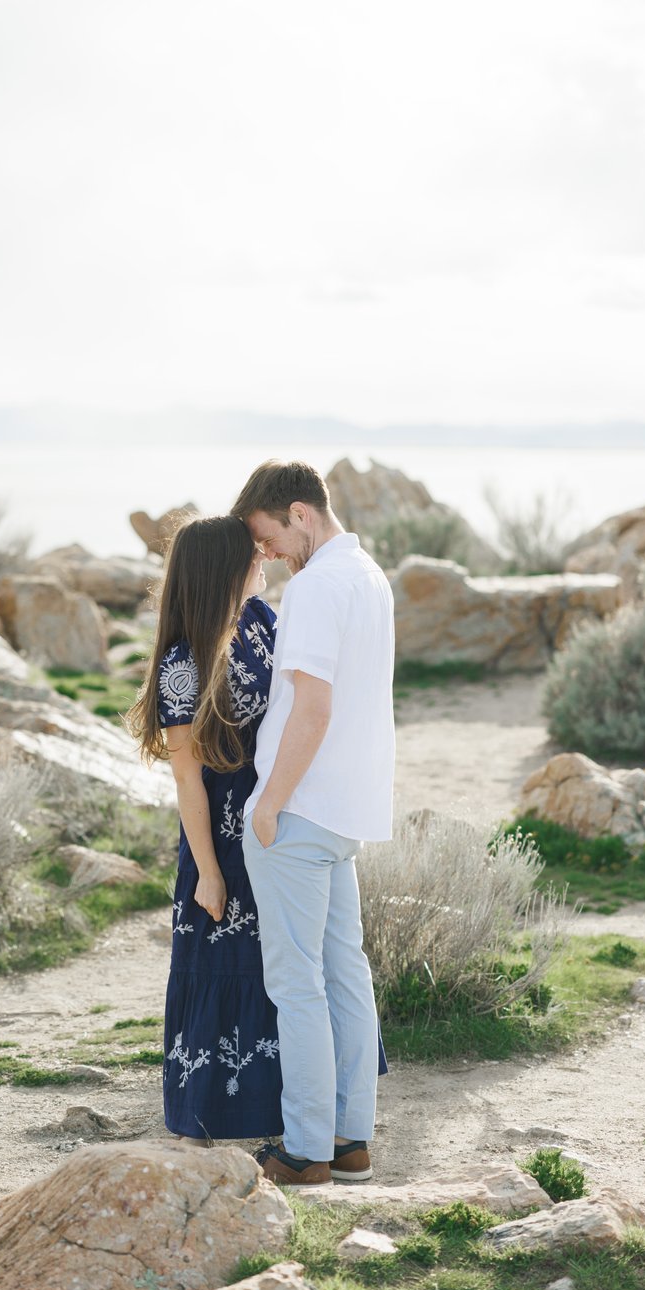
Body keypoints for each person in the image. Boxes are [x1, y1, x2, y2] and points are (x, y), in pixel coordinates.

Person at [233, 460, 395, 1186]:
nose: (266, 554)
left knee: (297, 986)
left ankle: (304, 1152)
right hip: (347, 809)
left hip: (299, 810)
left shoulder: (318, 587)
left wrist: (268, 802)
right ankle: (349, 1139)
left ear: (300, 514)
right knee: (344, 975)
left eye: (267, 538)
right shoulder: (368, 575)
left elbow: (314, 708)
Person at [126, 514, 283, 1142]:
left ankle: (288, 1109)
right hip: (219, 833)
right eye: (251, 555)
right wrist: (209, 873)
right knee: (228, 960)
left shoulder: (262, 622)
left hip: (277, 816)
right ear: (224, 568)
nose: (263, 559)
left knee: (281, 963)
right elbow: (187, 778)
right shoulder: (183, 662)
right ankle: (217, 1113)